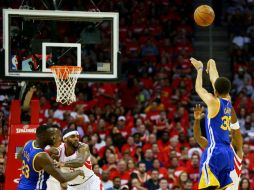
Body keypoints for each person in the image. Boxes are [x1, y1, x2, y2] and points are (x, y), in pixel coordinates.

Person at [190, 57, 235, 189]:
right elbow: (217, 80)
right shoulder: (228, 100)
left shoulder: (213, 102)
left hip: (216, 150)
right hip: (228, 153)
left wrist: (200, 69)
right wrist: (212, 63)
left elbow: (199, 88)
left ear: (215, 90)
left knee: (205, 184)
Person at [17, 124, 84, 190]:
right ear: (43, 137)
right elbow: (63, 178)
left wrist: (38, 165)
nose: (53, 137)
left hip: (21, 186)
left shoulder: (28, 143)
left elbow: (19, 156)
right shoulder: (42, 156)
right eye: (50, 135)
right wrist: (78, 172)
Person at [193, 104, 243, 189]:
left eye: (229, 131)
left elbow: (236, 131)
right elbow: (198, 138)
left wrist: (228, 107)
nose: (228, 133)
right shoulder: (214, 147)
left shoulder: (236, 147)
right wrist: (197, 121)